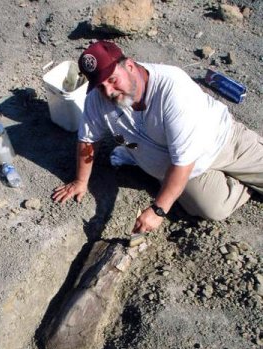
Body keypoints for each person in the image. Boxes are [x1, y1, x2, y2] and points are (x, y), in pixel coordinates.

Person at [52, 40, 263, 233]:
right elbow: (88, 140)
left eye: (113, 80)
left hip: (222, 140)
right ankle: (240, 183)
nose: (109, 91)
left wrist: (158, 211)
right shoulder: (97, 100)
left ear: (130, 66)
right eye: (101, 86)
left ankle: (245, 166)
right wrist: (80, 181)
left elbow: (183, 161)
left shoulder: (173, 89)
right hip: (186, 170)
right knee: (214, 209)